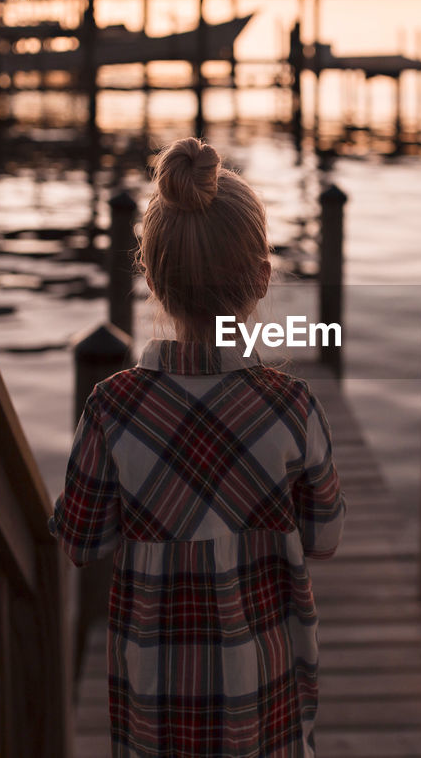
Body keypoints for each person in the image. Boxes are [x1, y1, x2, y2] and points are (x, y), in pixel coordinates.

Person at [49, 137, 345, 758]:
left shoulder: (113, 407)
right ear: (262, 279)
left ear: (152, 280)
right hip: (267, 700)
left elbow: (79, 542)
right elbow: (323, 537)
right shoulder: (293, 409)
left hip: (158, 713)